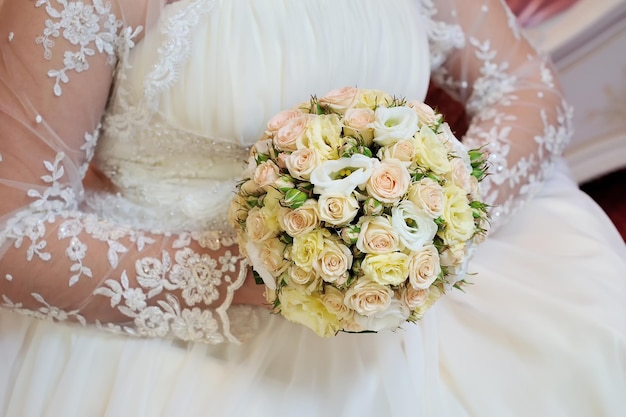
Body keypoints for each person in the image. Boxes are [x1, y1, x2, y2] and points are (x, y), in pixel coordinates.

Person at [0, 0, 624, 416]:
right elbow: (13, 231)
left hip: (414, 273)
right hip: (188, 322)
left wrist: (435, 220)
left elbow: (522, 83)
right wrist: (280, 271)